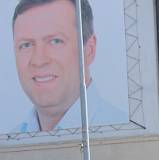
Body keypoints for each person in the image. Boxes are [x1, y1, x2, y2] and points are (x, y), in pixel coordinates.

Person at [10, 0, 127, 133]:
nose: (38, 60)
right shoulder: (8, 145)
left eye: (55, 41)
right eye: (26, 45)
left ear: (89, 50)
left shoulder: (126, 135)